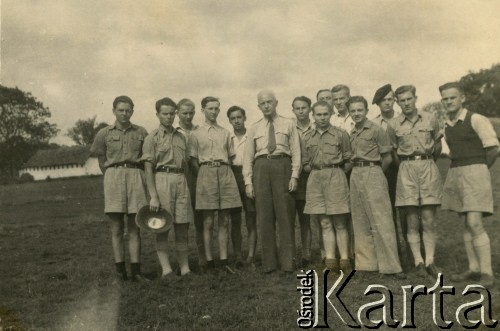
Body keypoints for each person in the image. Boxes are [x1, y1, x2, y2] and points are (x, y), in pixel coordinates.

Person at [439, 82, 499, 287]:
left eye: (452, 97)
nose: (448, 102)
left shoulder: (476, 119)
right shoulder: (447, 123)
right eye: (445, 98)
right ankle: (474, 268)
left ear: (462, 98)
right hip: (456, 173)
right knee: (465, 223)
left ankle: (487, 273)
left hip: (475, 173)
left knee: (474, 222)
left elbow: (493, 149)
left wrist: (479, 170)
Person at [90, 95, 149, 282]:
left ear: (132, 111)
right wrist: (111, 175)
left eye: (128, 110)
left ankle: (136, 272)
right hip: (113, 177)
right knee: (116, 227)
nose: (124, 113)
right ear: (114, 111)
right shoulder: (104, 133)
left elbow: (146, 157)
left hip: (135, 177)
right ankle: (120, 272)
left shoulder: (141, 132)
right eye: (120, 110)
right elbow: (100, 159)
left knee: (135, 227)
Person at [387, 85, 443, 278]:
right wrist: (406, 165)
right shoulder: (393, 124)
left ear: (415, 98)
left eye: (409, 99)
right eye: (402, 100)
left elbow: (437, 145)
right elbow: (393, 151)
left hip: (428, 167)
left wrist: (426, 164)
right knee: (411, 219)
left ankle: (430, 261)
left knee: (428, 218)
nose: (406, 103)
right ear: (398, 102)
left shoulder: (430, 118)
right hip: (406, 169)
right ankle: (418, 261)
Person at [243, 90, 300, 274]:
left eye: (269, 102)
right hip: (261, 168)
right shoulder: (254, 127)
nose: (266, 105)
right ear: (258, 106)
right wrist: (248, 182)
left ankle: (288, 262)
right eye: (262, 103)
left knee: (285, 215)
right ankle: (269, 263)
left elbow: (296, 152)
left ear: (276, 103)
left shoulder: (289, 124)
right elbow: (248, 157)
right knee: (265, 216)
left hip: (282, 165)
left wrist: (294, 176)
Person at [347, 96, 405, 279]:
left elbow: (387, 158)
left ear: (366, 111)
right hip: (356, 174)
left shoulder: (377, 130)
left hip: (373, 172)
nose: (356, 114)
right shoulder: (352, 133)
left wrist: (376, 172)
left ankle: (392, 266)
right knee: (360, 219)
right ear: (350, 113)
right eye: (353, 111)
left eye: (360, 110)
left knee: (382, 220)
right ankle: (367, 264)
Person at [141, 97, 193, 280]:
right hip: (161, 179)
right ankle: (166, 270)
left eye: (172, 113)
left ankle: (185, 268)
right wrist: (153, 196)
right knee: (162, 226)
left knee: (182, 226)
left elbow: (186, 164)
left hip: (180, 179)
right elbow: (148, 169)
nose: (169, 117)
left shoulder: (181, 137)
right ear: (157, 114)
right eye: (165, 114)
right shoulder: (151, 138)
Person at [188, 96, 242, 273]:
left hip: (225, 172)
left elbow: (231, 156)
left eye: (216, 108)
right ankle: (209, 260)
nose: (213, 111)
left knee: (224, 220)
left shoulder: (225, 132)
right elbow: (193, 160)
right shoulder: (195, 133)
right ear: (203, 110)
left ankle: (224, 259)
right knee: (208, 220)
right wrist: (203, 176)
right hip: (205, 172)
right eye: (210, 108)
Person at [302, 101, 352, 274]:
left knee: (339, 221)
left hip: (336, 177)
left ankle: (344, 259)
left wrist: (335, 173)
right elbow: (305, 163)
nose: (322, 117)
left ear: (330, 114)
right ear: (313, 116)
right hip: (316, 179)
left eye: (325, 114)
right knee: (324, 221)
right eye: (318, 114)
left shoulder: (340, 134)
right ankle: (330, 259)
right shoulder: (307, 137)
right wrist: (318, 172)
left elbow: (348, 159)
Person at [372, 84, 409, 269]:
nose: (387, 103)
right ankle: (394, 256)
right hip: (383, 171)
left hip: (403, 170)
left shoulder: (402, 119)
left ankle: (412, 256)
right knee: (386, 215)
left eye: (389, 99)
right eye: (383, 101)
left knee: (406, 213)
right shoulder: (373, 123)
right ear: (378, 104)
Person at [175, 98, 206, 271]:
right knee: (181, 221)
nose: (188, 116)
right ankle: (184, 262)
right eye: (184, 113)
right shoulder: (174, 131)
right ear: (177, 113)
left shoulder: (200, 130)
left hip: (197, 176)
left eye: (191, 113)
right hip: (179, 177)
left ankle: (203, 259)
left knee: (200, 219)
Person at [227, 105, 257, 268]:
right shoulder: (227, 136)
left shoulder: (252, 135)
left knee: (251, 217)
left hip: (250, 176)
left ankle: (251, 255)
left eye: (239, 117)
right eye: (233, 118)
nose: (236, 121)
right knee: (235, 218)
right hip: (232, 176)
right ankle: (238, 254)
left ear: (244, 118)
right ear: (229, 121)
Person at [291, 96, 313, 268]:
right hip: (295, 176)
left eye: (304, 107)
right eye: (297, 108)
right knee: (293, 216)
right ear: (293, 110)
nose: (301, 111)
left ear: (309, 109)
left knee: (308, 218)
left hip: (312, 174)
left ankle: (307, 252)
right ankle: (292, 254)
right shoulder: (290, 127)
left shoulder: (316, 126)